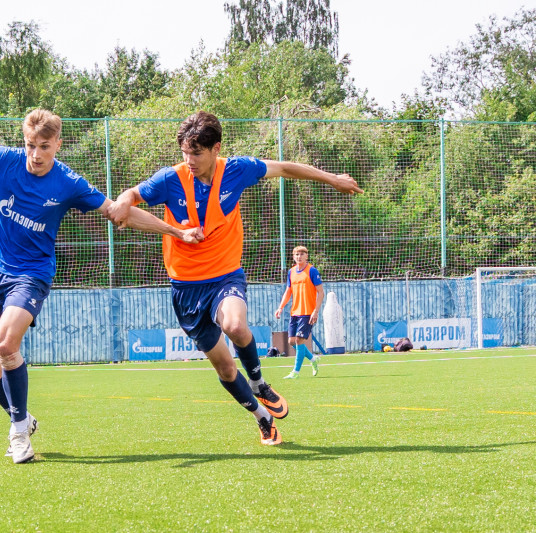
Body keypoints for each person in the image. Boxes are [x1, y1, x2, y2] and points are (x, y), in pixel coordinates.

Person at [0, 107, 202, 464]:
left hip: (32, 274)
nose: (36, 154)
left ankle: (19, 435)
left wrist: (177, 231)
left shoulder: (68, 183)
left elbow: (118, 212)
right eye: (30, 145)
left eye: (44, 146)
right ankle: (21, 418)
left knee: (5, 345)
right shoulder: (4, 160)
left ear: (57, 143)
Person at [107, 111, 362, 446]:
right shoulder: (170, 179)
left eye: (196, 153)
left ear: (216, 149)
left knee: (236, 326)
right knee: (226, 371)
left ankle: (259, 382)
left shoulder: (238, 170)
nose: (190, 160)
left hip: (225, 275)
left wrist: (332, 179)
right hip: (185, 288)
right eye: (185, 152)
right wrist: (124, 201)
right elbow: (132, 195)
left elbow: (285, 167)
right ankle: (263, 418)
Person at [275, 246, 325, 379]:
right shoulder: (291, 272)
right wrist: (280, 307)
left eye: (302, 254)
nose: (299, 256)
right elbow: (288, 291)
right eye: (297, 254)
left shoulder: (312, 271)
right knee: (292, 341)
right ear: (293, 256)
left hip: (308, 312)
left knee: (299, 340)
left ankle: (295, 372)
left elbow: (321, 292)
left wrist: (316, 310)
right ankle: (313, 359)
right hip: (295, 312)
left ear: (306, 256)